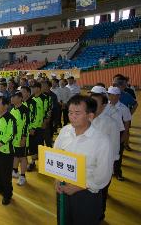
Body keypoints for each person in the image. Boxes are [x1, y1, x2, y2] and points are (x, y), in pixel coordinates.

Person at [54, 95, 113, 225]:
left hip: (86, 195)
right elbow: (56, 154)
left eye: (77, 113)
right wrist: (57, 179)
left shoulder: (102, 141)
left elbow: (102, 176)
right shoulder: (65, 131)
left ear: (90, 116)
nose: (72, 116)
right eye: (70, 112)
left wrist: (78, 187)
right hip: (63, 189)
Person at [89, 87, 120, 221]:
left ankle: (100, 215)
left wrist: (109, 167)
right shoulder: (85, 119)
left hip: (102, 166)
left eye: (95, 102)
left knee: (101, 193)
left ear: (104, 105)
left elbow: (114, 147)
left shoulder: (110, 123)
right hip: (87, 165)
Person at [107, 86, 131, 181]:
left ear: (118, 96)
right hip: (106, 133)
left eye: (115, 95)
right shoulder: (104, 106)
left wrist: (124, 136)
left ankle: (117, 172)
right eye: (110, 95)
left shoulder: (123, 108)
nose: (112, 97)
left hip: (118, 134)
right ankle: (107, 170)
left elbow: (127, 122)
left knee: (118, 153)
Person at [11, 92, 30, 186]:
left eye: (13, 97)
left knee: (22, 157)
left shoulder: (24, 110)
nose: (12, 99)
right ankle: (14, 171)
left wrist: (24, 137)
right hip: (14, 138)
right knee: (15, 155)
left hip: (21, 138)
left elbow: (26, 125)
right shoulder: (12, 109)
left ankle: (22, 176)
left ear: (19, 98)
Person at [28, 82, 46, 171]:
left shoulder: (44, 98)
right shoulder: (31, 98)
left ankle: (42, 163)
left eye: (34, 87)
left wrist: (45, 122)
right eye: (32, 88)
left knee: (40, 144)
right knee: (32, 145)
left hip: (40, 127)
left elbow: (47, 111)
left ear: (39, 88)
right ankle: (33, 162)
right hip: (31, 127)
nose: (33, 89)